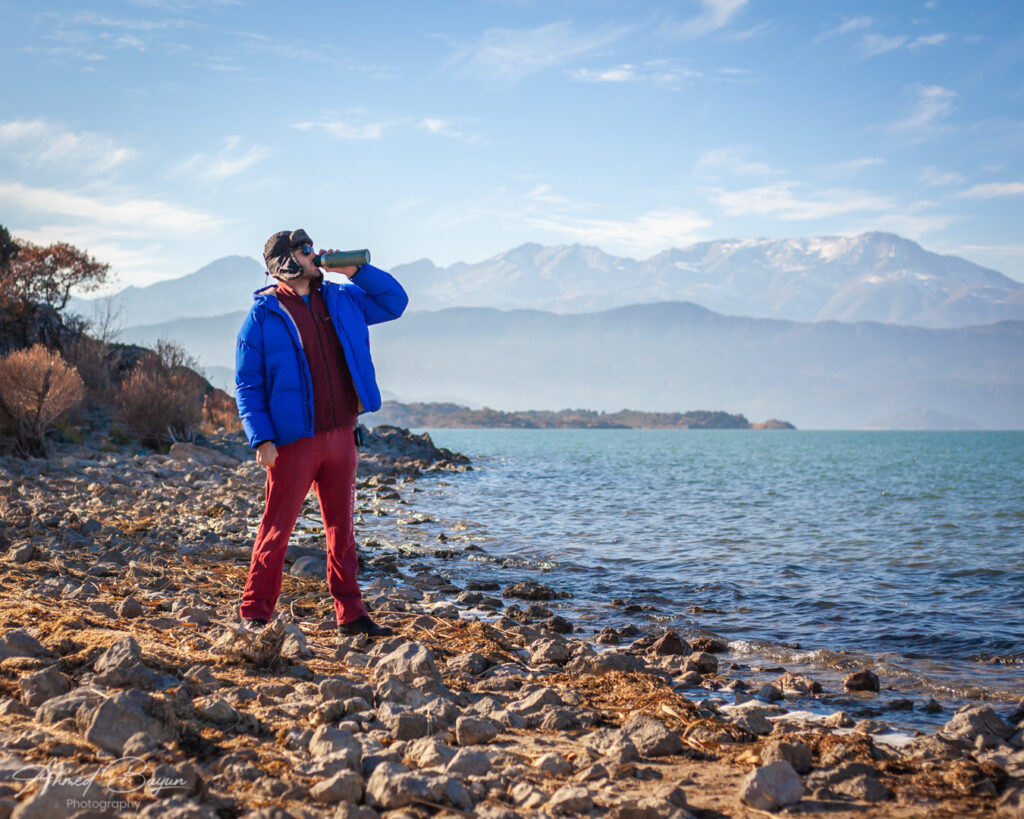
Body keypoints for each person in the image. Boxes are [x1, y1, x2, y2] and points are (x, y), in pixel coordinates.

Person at [235, 228, 407, 637]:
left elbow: (395, 302)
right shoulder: (262, 315)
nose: (315, 255)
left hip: (342, 435)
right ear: (286, 261)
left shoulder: (343, 298)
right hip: (293, 442)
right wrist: (261, 438)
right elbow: (247, 383)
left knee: (342, 531)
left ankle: (351, 614)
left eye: (313, 248)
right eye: (305, 250)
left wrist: (357, 271)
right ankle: (255, 612)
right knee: (276, 529)